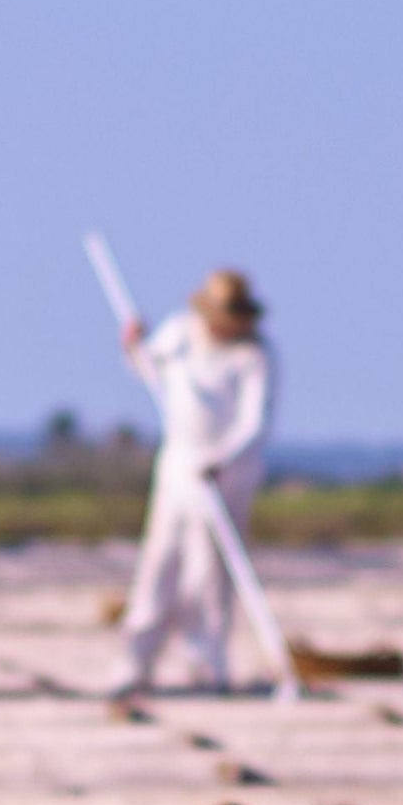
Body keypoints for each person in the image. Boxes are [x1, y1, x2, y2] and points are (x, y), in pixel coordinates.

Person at [107, 266, 285, 696]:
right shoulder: (181, 333)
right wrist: (132, 348)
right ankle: (136, 659)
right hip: (178, 466)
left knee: (209, 573)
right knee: (159, 564)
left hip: (228, 476)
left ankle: (206, 662)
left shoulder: (255, 356)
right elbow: (151, 371)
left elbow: (253, 424)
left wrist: (220, 459)